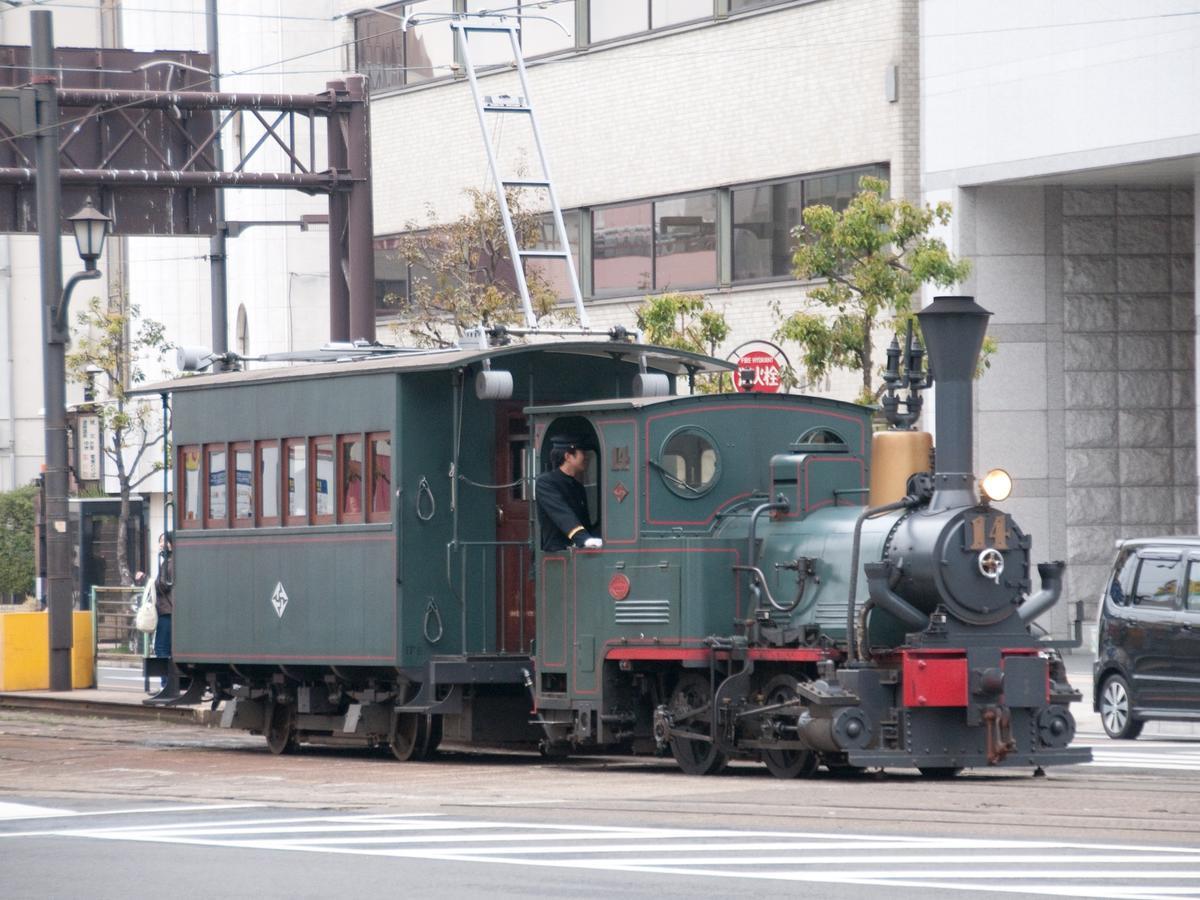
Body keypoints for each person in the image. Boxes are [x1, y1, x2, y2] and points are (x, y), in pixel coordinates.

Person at [536, 435, 603, 552]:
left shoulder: (578, 487)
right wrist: (583, 539)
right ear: (568, 456)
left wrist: (591, 538)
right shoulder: (546, 483)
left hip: (577, 551)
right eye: (582, 453)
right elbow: (562, 514)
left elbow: (585, 522)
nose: (586, 457)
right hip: (558, 552)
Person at [153, 533, 174, 690]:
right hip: (170, 609)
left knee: (161, 647)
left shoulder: (170, 562)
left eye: (163, 541)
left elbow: (164, 585)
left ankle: (165, 684)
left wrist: (147, 580)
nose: (161, 545)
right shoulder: (168, 562)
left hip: (167, 610)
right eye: (160, 542)